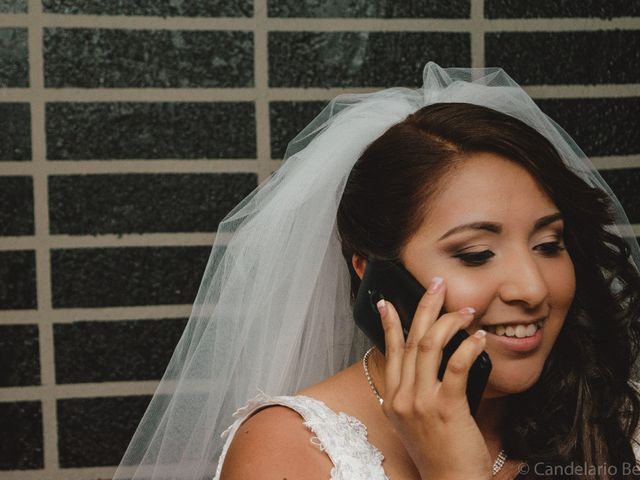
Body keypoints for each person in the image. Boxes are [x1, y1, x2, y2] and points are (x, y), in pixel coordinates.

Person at [114, 63, 640, 480]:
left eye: (549, 244)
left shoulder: (614, 419)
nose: (532, 288)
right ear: (374, 272)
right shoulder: (291, 449)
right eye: (476, 254)